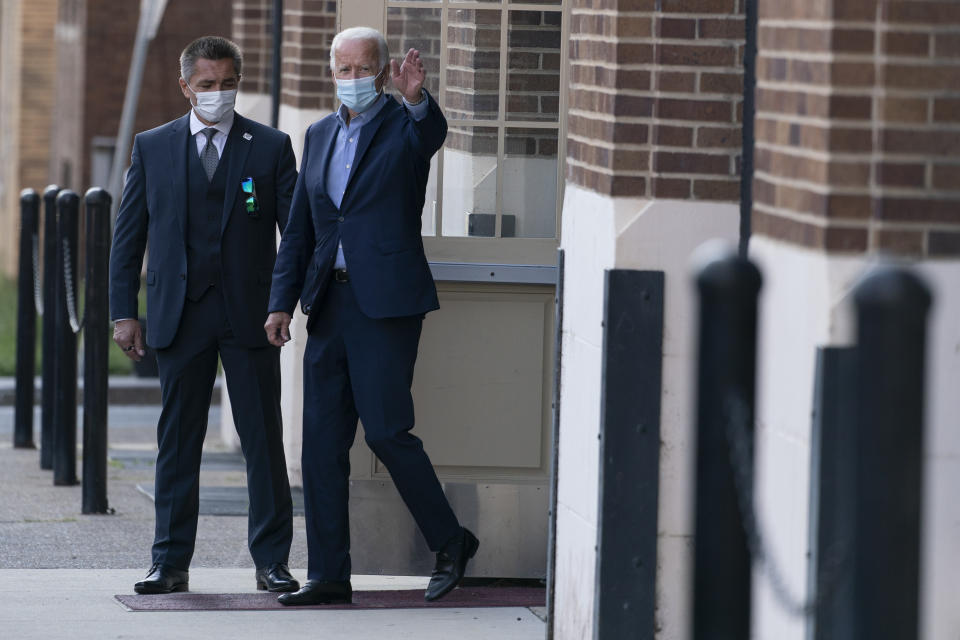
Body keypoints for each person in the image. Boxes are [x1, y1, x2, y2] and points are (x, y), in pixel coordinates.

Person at [265, 26, 478, 606]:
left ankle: (451, 540)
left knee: (385, 431)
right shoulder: (317, 134)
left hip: (384, 305)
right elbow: (303, 230)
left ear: (383, 74)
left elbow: (431, 134)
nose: (353, 79)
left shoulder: (405, 128)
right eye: (344, 69)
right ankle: (329, 575)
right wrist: (281, 301)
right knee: (320, 444)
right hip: (328, 305)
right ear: (331, 72)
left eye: (364, 70)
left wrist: (417, 99)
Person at [110, 36, 299, 595]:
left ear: (238, 83)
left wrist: (283, 303)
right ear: (185, 85)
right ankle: (168, 562)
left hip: (251, 316)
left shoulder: (269, 146)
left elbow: (294, 237)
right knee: (178, 440)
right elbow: (128, 238)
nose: (218, 94)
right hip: (178, 315)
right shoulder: (152, 146)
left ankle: (272, 562)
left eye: (227, 83)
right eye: (207, 84)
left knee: (262, 440)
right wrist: (125, 312)